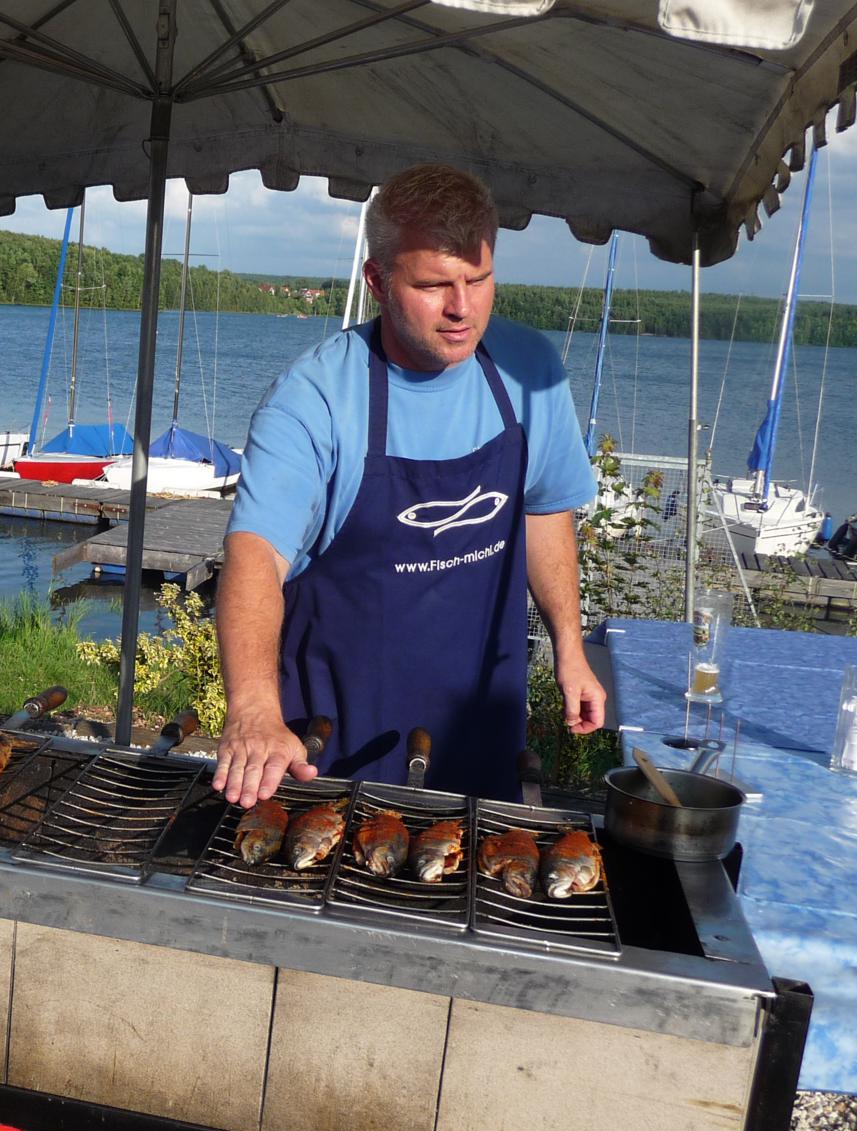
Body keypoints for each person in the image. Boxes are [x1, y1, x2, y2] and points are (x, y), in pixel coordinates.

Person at [213, 163, 606, 806]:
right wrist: (253, 706)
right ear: (376, 281)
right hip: (332, 742)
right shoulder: (314, 398)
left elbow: (544, 510)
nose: (462, 308)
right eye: (433, 285)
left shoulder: (531, 370)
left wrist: (570, 645)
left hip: (482, 722)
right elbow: (255, 553)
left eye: (478, 281)